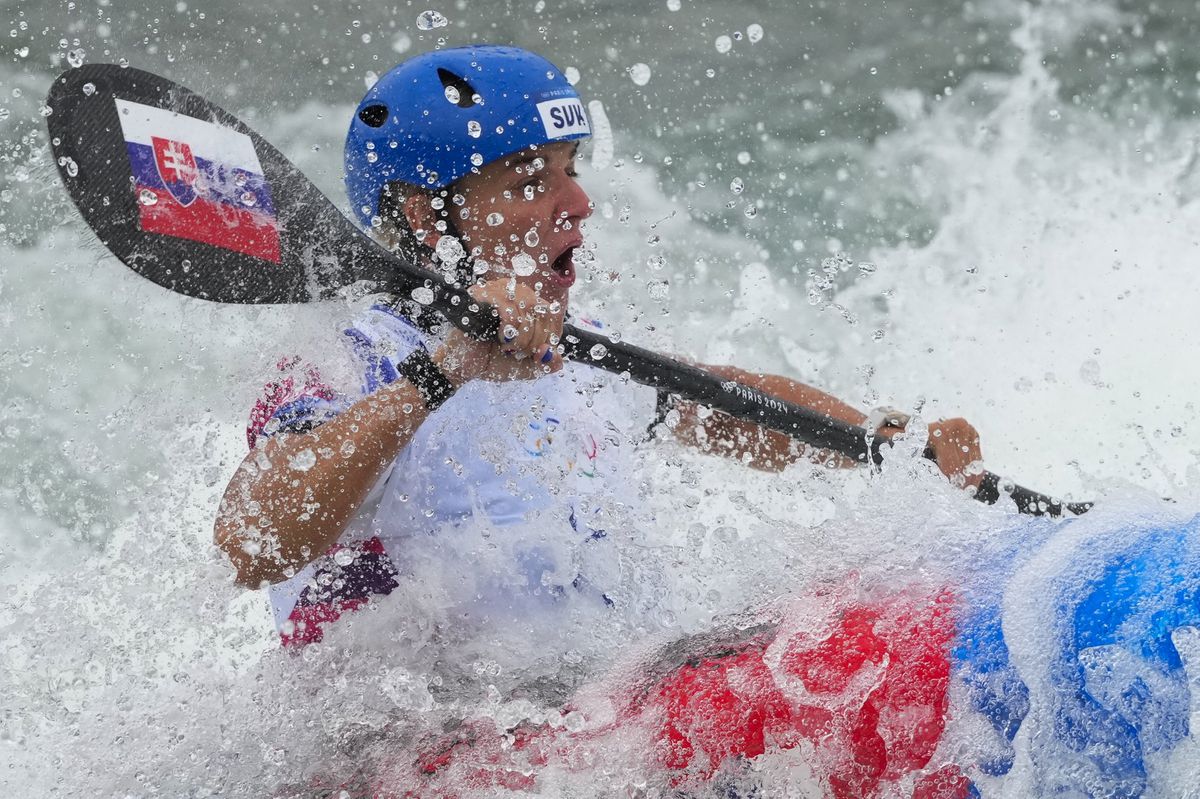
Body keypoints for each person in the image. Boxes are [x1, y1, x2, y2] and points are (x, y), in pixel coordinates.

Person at [213, 44, 982, 651]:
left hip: (581, 724)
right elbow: (251, 541)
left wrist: (887, 443)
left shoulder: (578, 357)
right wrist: (440, 370)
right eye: (529, 181)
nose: (578, 204)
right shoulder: (350, 359)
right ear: (425, 218)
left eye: (571, 172)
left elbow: (728, 407)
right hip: (401, 752)